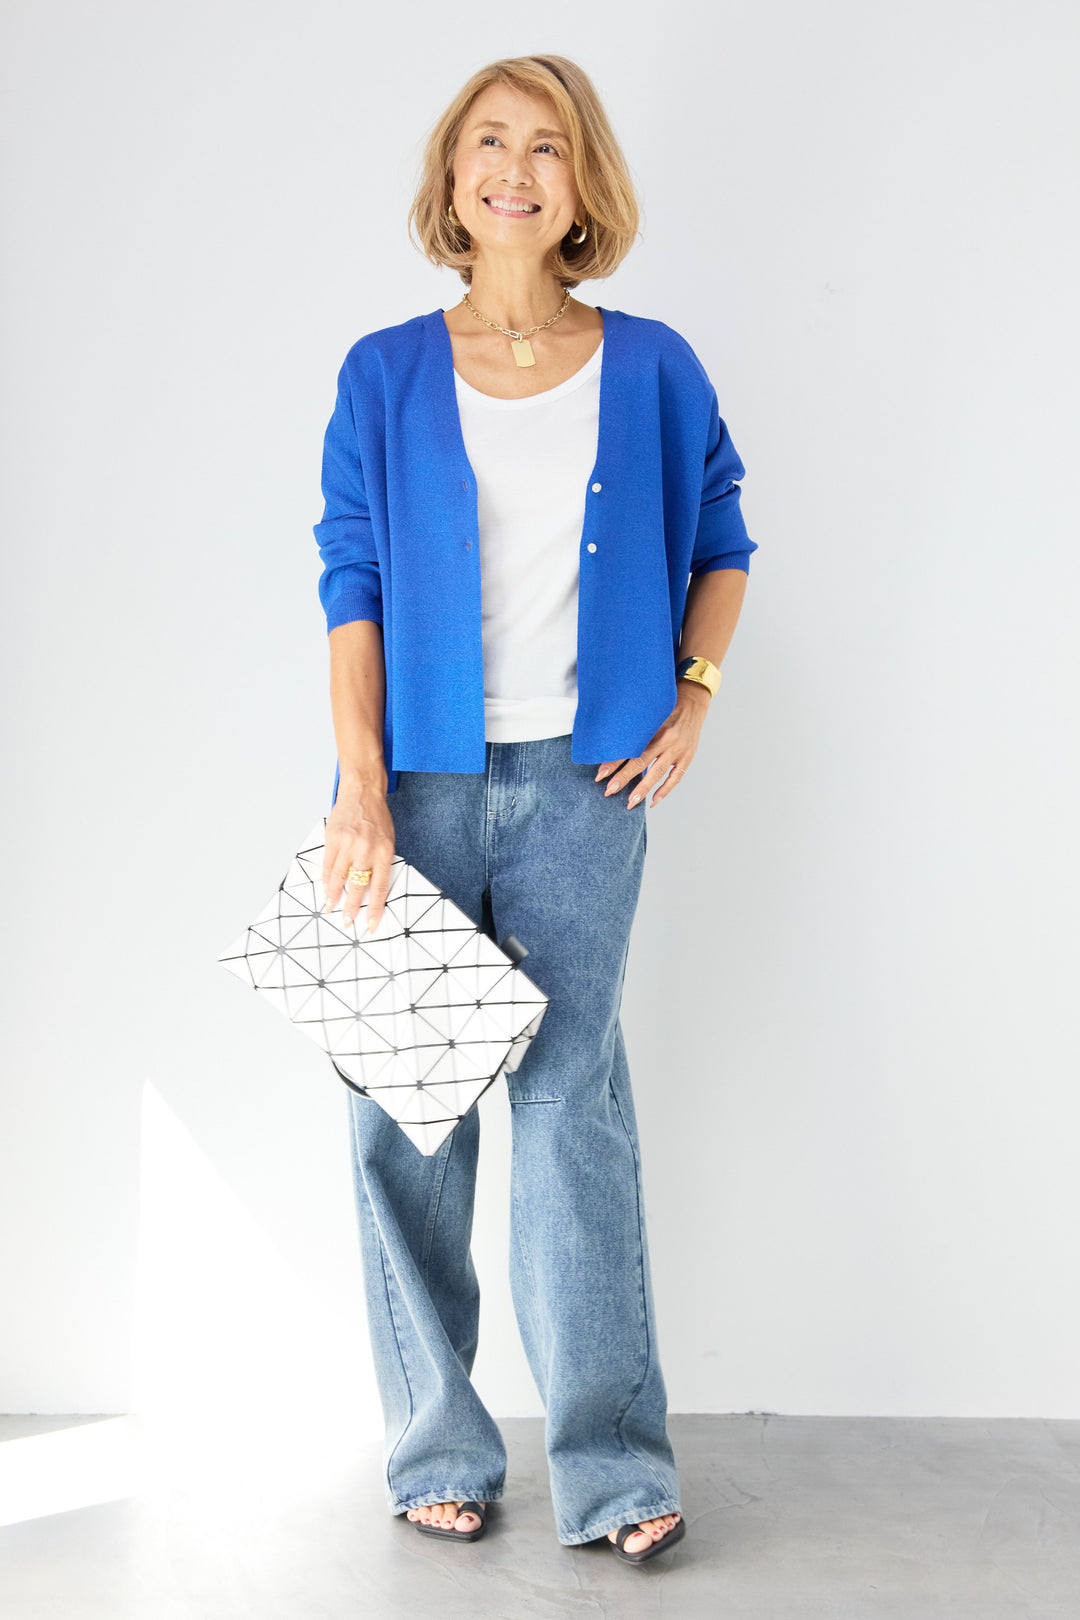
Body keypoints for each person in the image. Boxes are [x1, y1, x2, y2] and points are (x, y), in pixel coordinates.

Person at [313, 53, 756, 1565]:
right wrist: (361, 788)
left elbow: (724, 539)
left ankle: (615, 1471)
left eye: (548, 146)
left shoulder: (654, 366)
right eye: (489, 141)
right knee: (407, 1118)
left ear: (584, 186)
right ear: (453, 175)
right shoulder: (384, 371)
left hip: (587, 785)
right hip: (412, 791)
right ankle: (437, 1449)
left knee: (571, 1112)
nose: (516, 168)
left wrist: (693, 697)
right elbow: (352, 582)